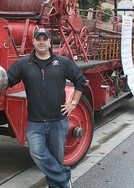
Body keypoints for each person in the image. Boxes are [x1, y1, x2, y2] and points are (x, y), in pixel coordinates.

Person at [7, 28, 87, 188]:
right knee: (37, 153)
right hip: (35, 122)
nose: (42, 42)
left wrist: (74, 103)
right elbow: (6, 80)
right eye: (38, 39)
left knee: (56, 158)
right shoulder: (24, 64)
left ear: (50, 42)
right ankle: (64, 177)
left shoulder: (63, 63)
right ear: (34, 42)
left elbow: (80, 81)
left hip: (58, 121)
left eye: (45, 39)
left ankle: (56, 185)